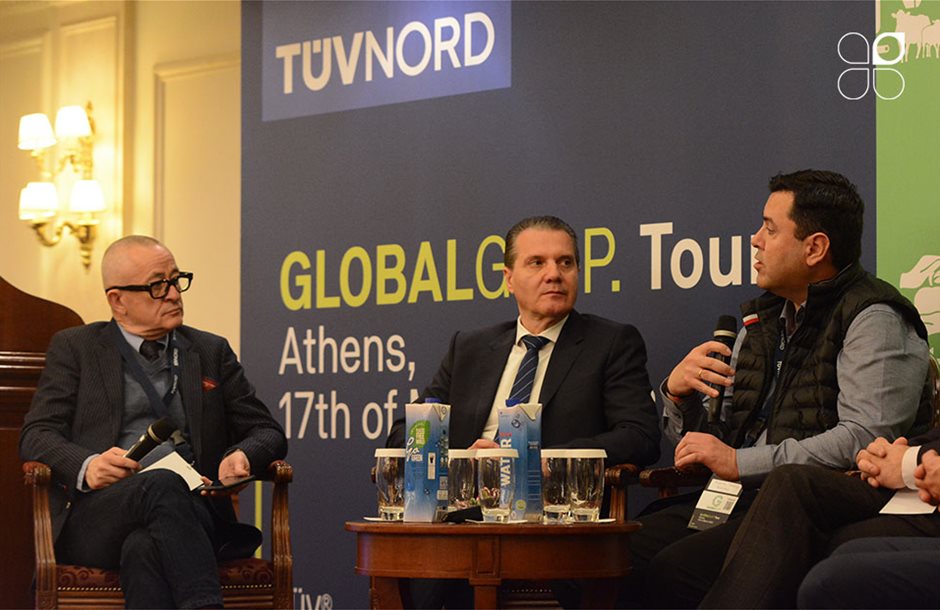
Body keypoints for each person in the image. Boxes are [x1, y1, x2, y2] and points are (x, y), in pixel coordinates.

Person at [620, 170, 932, 609]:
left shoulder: (873, 318)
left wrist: (738, 462)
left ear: (815, 248)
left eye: (769, 228)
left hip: (805, 506)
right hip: (734, 497)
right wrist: (679, 397)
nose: (754, 240)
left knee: (675, 569)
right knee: (611, 555)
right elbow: (716, 442)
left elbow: (865, 438)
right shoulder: (762, 321)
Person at [387, 215, 661, 608]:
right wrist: (466, 462)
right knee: (410, 561)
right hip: (461, 513)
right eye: (537, 263)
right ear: (509, 278)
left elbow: (639, 436)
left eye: (566, 262)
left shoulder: (611, 343)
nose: (554, 274)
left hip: (548, 517)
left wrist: (534, 458)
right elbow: (407, 430)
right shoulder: (470, 348)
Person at [19, 235, 287, 609]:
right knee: (161, 482)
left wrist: (242, 455)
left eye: (176, 280)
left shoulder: (210, 351)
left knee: (144, 547)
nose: (174, 294)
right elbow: (36, 434)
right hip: (99, 515)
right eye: (157, 286)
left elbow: (267, 431)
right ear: (118, 300)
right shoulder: (77, 348)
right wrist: (88, 465)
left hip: (195, 511)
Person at [700, 422, 940, 608]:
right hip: (910, 486)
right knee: (791, 481)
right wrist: (887, 454)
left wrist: (910, 461)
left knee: (835, 553)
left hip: (923, 496)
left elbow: (864, 428)